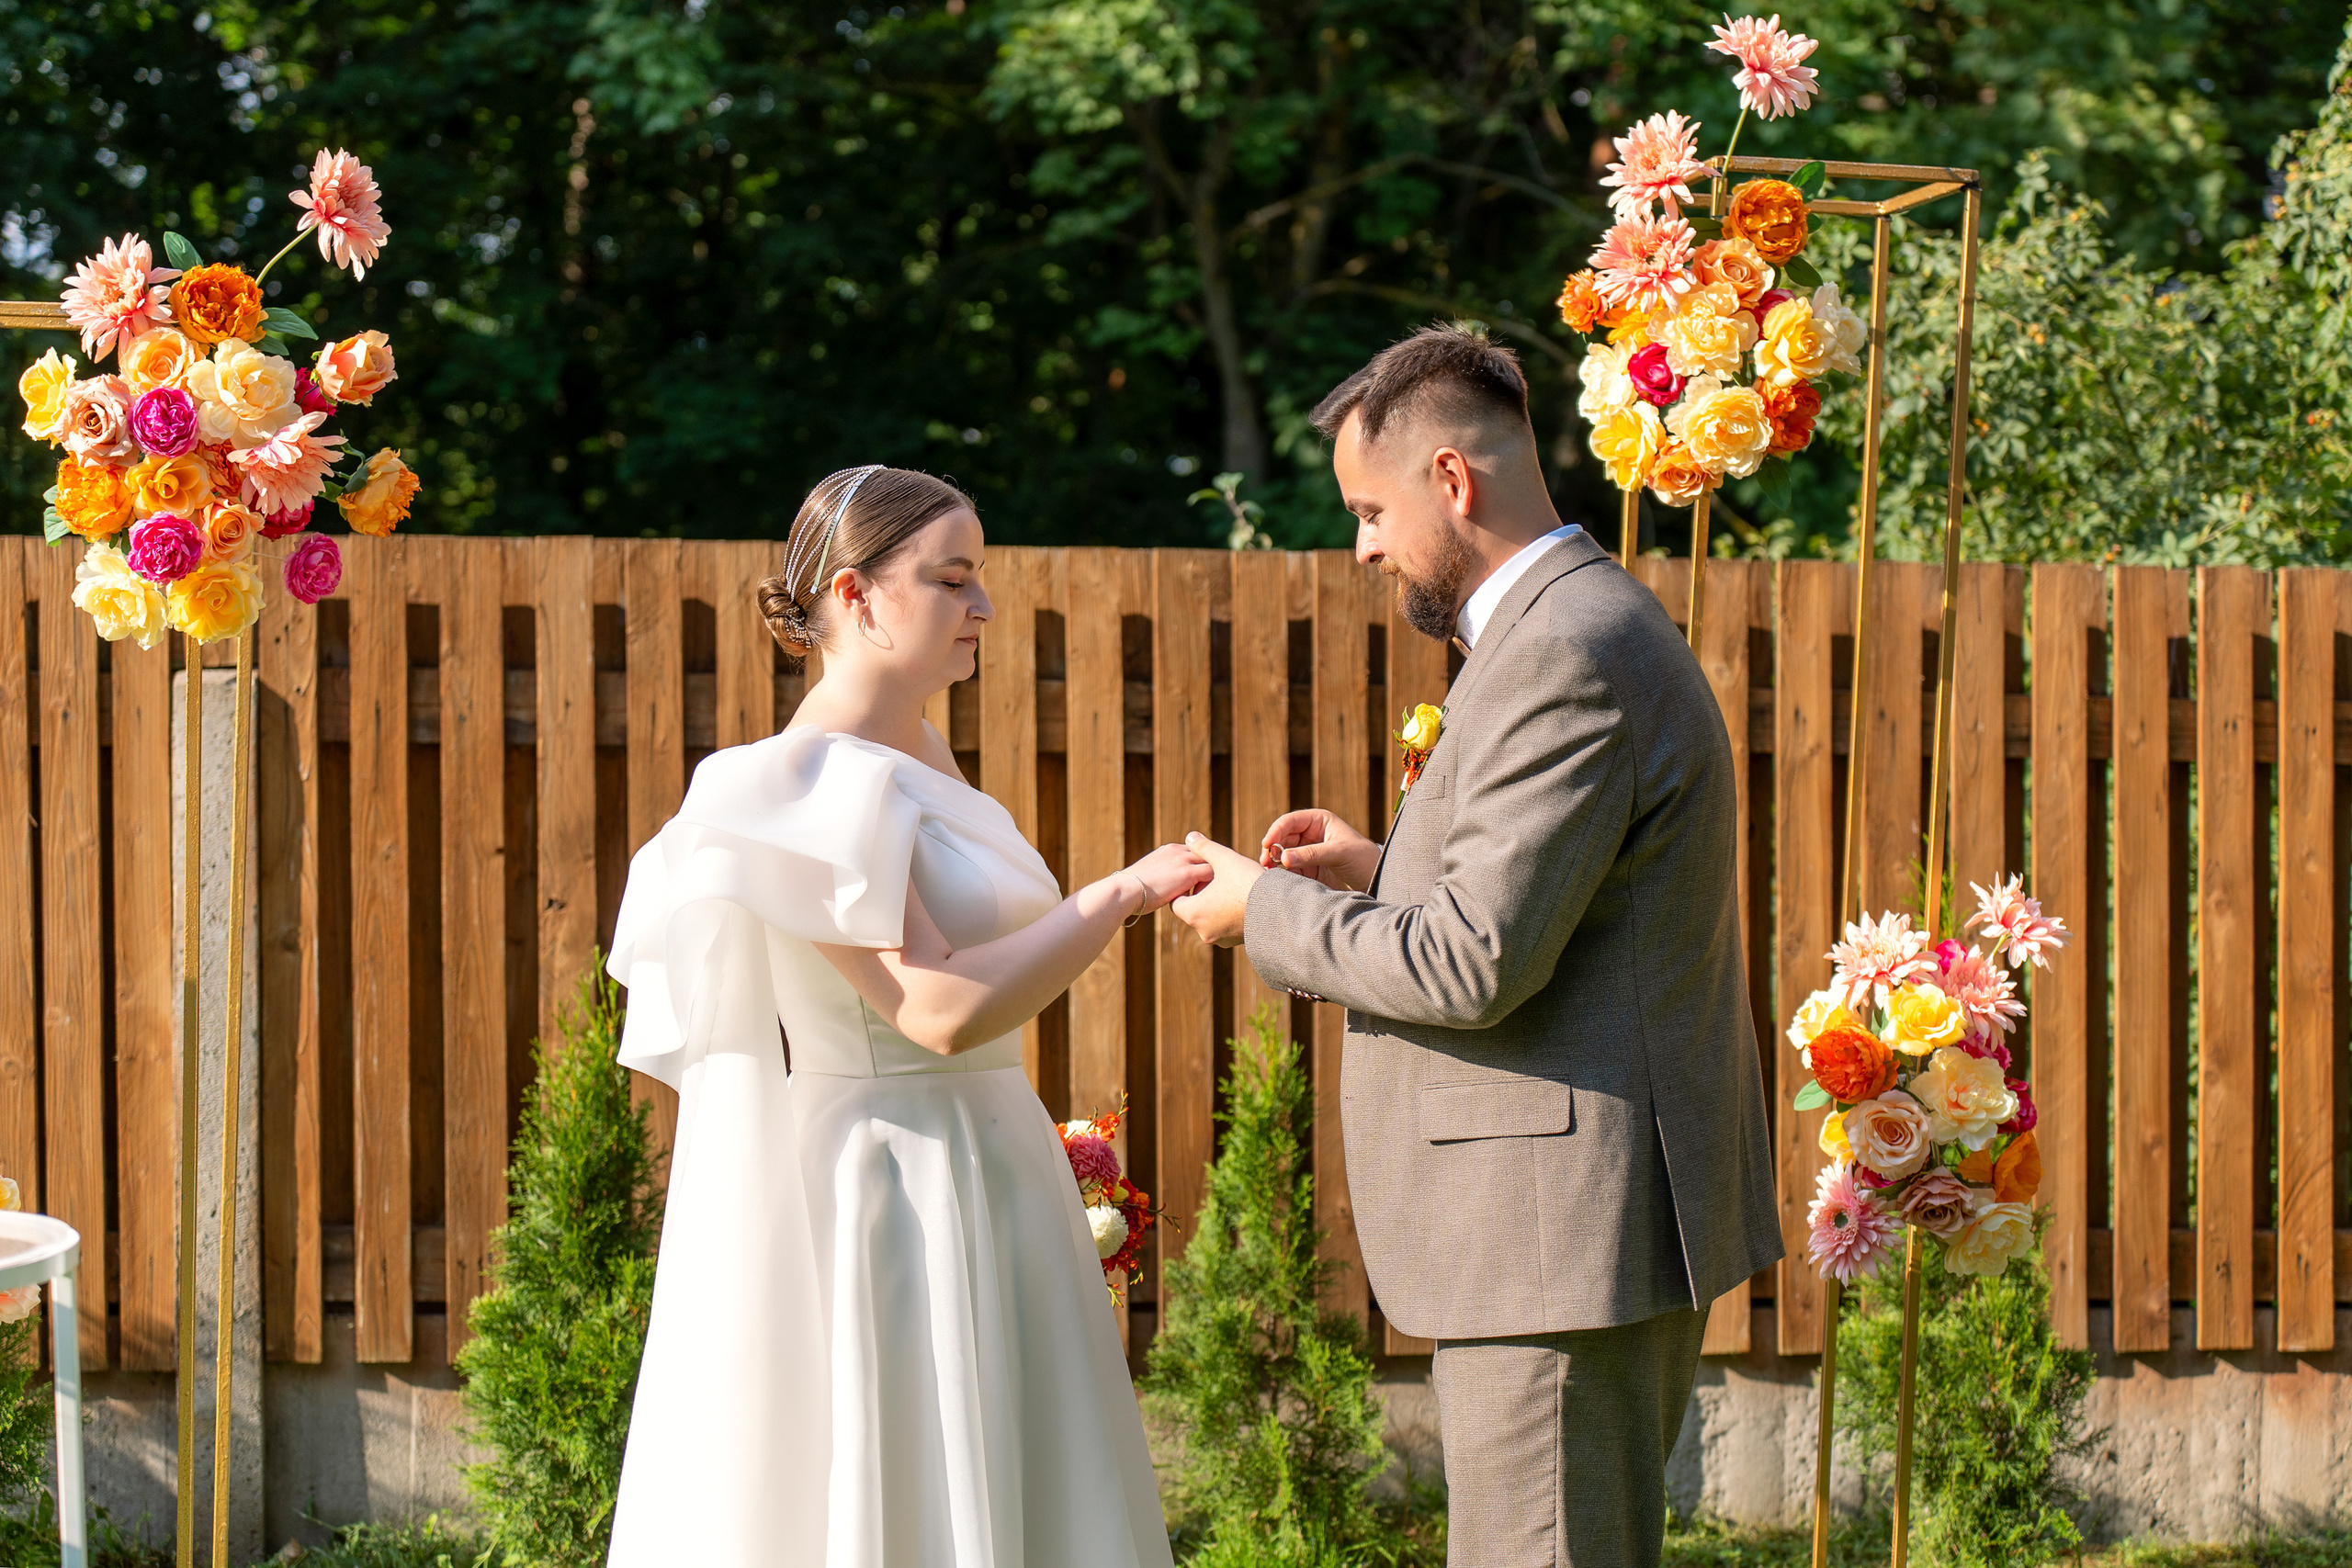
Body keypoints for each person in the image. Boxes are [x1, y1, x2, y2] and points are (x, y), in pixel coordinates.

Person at [1170, 327, 1782, 1568]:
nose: (1364, 545)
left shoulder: (1563, 646)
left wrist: (1264, 912)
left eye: (1371, 508)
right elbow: (1556, 901)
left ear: (1453, 480)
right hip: (1561, 1237)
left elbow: (1474, 961)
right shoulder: (1571, 626)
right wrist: (1375, 868)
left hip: (1551, 1241)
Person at [604, 465, 1203, 1566]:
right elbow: (932, 1008)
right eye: (951, 579)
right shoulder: (781, 787)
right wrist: (1115, 895)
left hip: (995, 1157)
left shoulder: (922, 755)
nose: (980, 608)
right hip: (894, 1185)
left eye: (979, 580)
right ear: (857, 594)